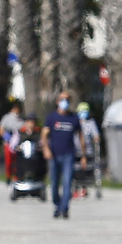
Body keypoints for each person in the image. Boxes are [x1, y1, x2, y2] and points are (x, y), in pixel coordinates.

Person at [41, 91, 86, 219]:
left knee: (67, 182)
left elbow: (80, 136)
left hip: (68, 154)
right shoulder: (52, 117)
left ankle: (64, 208)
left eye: (67, 99)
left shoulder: (74, 118)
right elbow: (44, 135)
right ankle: (57, 205)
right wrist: (46, 149)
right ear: (57, 101)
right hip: (54, 154)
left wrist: (83, 155)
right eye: (62, 99)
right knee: (54, 183)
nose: (64, 102)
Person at [75, 102, 102, 196]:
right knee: (76, 169)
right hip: (76, 150)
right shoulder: (75, 122)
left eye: (85, 111)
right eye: (82, 111)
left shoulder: (90, 123)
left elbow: (96, 135)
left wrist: (96, 138)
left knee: (86, 169)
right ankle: (75, 188)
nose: (84, 113)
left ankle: (84, 187)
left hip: (87, 150)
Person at [0, 102, 24, 181]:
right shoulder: (6, 118)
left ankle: (16, 177)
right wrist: (7, 137)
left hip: (18, 143)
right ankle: (8, 176)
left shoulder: (21, 119)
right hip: (8, 143)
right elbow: (0, 130)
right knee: (9, 161)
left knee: (17, 161)